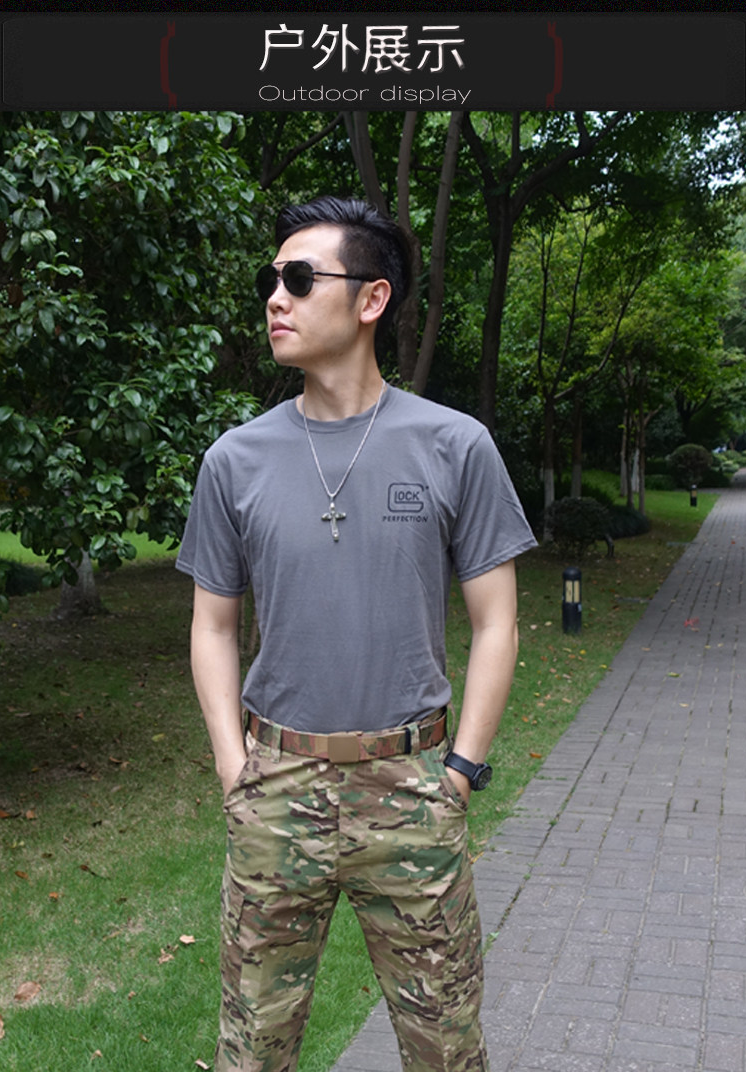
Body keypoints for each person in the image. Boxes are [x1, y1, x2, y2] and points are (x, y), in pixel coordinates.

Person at [176, 195, 537, 1072]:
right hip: (275, 789)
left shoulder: (455, 445)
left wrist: (461, 771)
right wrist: (233, 766)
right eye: (272, 280)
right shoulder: (234, 460)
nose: (277, 298)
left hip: (412, 790)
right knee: (252, 1050)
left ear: (372, 299)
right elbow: (212, 626)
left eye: (301, 279)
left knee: (446, 1047)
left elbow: (497, 622)